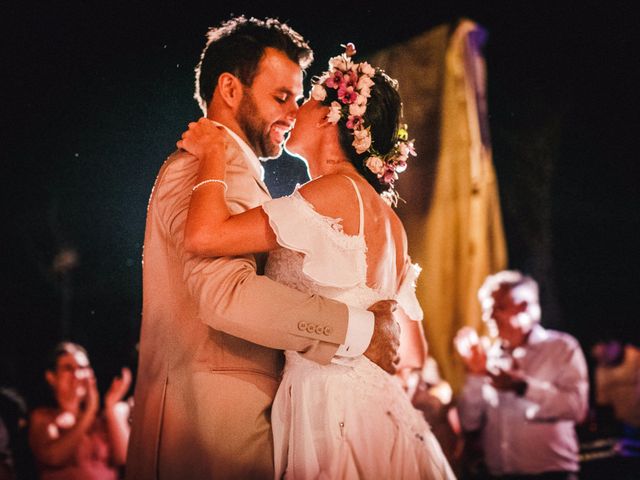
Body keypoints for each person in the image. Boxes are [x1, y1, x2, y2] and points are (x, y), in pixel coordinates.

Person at [126, 17, 399, 480]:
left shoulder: (236, 172)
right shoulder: (207, 169)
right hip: (213, 430)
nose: (294, 113)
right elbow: (224, 296)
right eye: (281, 97)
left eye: (298, 99)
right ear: (230, 90)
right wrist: (358, 330)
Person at [178, 42, 455, 479]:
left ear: (331, 117)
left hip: (331, 406)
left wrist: (213, 154)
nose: (292, 112)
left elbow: (204, 236)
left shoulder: (331, 194)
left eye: (305, 100)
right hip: (376, 404)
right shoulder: (389, 221)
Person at [454, 271, 589, 479]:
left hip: (552, 474)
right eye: (486, 309)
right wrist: (475, 374)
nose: (487, 317)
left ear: (525, 307)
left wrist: (523, 387)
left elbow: (576, 408)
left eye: (497, 307)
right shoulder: (488, 357)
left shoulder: (562, 348)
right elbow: (469, 422)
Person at [28, 342, 131, 480]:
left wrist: (111, 406)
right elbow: (53, 457)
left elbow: (124, 458)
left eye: (83, 368)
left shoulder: (102, 420)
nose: (77, 375)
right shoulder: (44, 417)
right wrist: (90, 410)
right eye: (68, 368)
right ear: (51, 377)